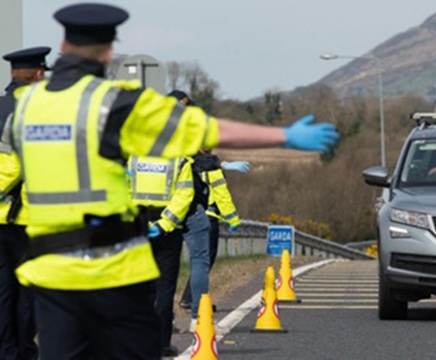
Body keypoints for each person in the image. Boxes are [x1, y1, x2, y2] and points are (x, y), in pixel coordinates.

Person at [7, 3, 339, 359]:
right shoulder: (113, 103)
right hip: (112, 269)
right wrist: (284, 136)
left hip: (50, 270)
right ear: (108, 51)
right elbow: (204, 130)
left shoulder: (25, 107)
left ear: (62, 44)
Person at [0, 46, 50, 360]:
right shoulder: (38, 108)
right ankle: (24, 350)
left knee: (3, 290)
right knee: (29, 291)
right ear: (39, 74)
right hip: (31, 216)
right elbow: (16, 165)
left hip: (1, 217)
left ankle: (5, 351)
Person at [127, 155, 195, 357]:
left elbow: (119, 188)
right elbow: (184, 195)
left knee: (137, 287)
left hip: (135, 228)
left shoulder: (132, 156)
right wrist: (164, 224)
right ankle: (161, 343)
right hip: (167, 232)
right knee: (164, 289)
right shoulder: (180, 160)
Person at [179, 152, 245, 317]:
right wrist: (232, 218)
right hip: (208, 217)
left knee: (196, 260)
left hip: (184, 214)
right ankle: (194, 302)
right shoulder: (212, 167)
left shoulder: (185, 161)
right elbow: (221, 194)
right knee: (203, 261)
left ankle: (189, 299)